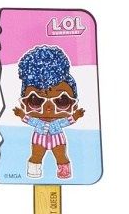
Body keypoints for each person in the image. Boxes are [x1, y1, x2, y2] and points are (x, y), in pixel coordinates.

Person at [13, 45, 84, 179]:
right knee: (36, 156)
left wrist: (76, 116)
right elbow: (30, 120)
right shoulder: (37, 122)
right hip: (39, 139)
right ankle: (33, 172)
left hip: (58, 139)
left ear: (73, 103)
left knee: (61, 156)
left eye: (62, 101)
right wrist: (22, 115)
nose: (48, 109)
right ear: (24, 102)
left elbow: (67, 121)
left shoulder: (58, 123)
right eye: (36, 100)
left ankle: (64, 173)